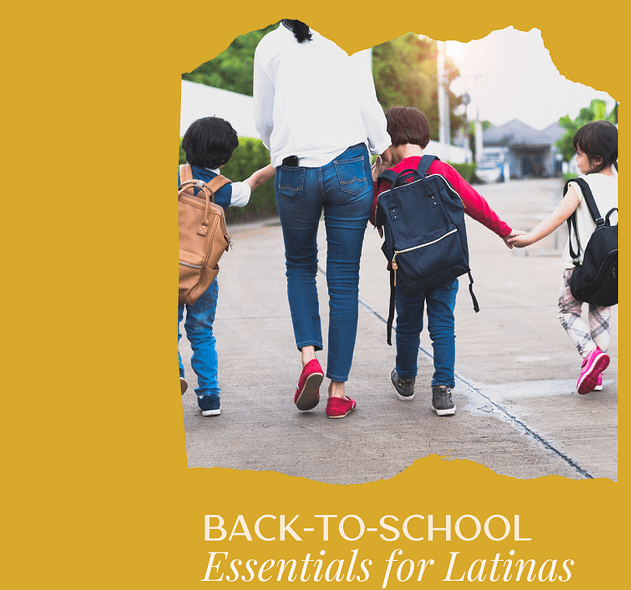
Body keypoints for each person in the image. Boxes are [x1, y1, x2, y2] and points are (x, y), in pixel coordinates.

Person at [253, 20, 393, 419]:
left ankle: (309, 360)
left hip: (294, 170)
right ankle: (337, 391)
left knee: (299, 266)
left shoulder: (268, 45)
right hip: (347, 165)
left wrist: (283, 146)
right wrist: (382, 148)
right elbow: (367, 105)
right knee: (344, 279)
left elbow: (263, 121)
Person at [372, 107, 515, 416]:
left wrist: (376, 175)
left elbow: (374, 217)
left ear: (391, 139)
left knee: (408, 325)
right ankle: (443, 391)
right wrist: (504, 231)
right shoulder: (442, 170)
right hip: (445, 262)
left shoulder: (387, 178)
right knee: (442, 323)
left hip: (405, 268)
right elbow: (475, 204)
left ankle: (406, 380)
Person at [507, 120, 618, 394]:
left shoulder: (580, 186)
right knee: (599, 314)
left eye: (579, 154)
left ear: (597, 158)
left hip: (579, 267)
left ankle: (590, 354)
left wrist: (529, 238)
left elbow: (557, 217)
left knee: (567, 311)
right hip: (614, 267)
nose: (576, 159)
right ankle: (597, 374)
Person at [179, 116, 274, 416]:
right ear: (226, 156)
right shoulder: (225, 190)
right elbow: (254, 181)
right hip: (202, 277)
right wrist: (279, 161)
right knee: (202, 332)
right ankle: (209, 398)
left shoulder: (175, 177)